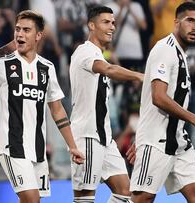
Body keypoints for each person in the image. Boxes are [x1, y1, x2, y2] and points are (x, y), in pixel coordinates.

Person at [0, 10, 85, 203]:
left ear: (38, 35)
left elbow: (57, 109)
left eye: (26, 30)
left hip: (37, 149)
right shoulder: (2, 65)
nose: (20, 34)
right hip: (12, 146)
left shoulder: (47, 68)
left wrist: (72, 146)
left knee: (33, 200)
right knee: (31, 199)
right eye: (17, 29)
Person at [129, 2, 195, 203]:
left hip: (178, 140)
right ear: (176, 22)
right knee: (142, 198)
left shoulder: (181, 53)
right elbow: (158, 97)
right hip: (156, 140)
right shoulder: (165, 50)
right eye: (190, 21)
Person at [69, 6, 143, 203]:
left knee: (125, 191)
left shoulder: (99, 54)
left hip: (104, 137)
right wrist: (139, 76)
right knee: (85, 198)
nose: (112, 27)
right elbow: (108, 69)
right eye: (106, 22)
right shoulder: (84, 51)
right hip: (87, 136)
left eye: (113, 22)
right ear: (91, 25)